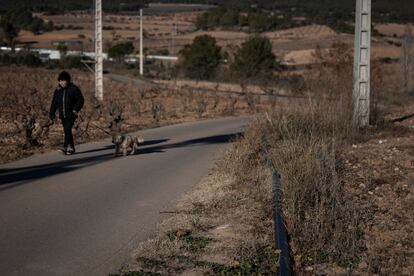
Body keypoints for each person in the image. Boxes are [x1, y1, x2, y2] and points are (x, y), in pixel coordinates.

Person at [49, 71, 84, 155]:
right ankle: (71, 147)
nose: (62, 82)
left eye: (63, 81)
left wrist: (76, 109)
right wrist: (52, 113)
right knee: (67, 131)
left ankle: (64, 147)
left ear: (68, 81)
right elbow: (54, 102)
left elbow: (81, 100)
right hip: (62, 114)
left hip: (71, 114)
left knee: (67, 130)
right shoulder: (58, 90)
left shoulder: (74, 89)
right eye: (60, 81)